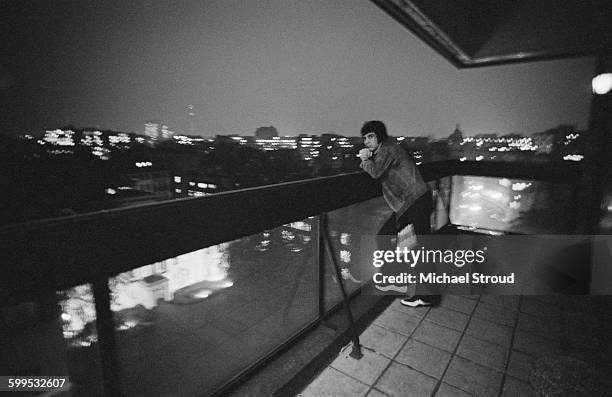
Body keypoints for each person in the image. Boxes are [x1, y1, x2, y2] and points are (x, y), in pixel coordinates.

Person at [358, 120, 440, 307]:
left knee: (414, 246)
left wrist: (364, 159)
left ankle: (425, 294)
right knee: (389, 237)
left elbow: (376, 172)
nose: (366, 142)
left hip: (415, 201)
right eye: (364, 138)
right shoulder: (386, 150)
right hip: (413, 202)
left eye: (371, 136)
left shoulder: (388, 149)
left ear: (380, 136)